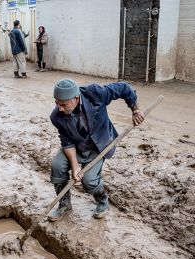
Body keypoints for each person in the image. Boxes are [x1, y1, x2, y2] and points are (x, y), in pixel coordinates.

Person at [48, 79, 145, 221]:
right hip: (76, 146)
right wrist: (75, 168)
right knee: (57, 166)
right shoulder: (56, 116)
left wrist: (135, 110)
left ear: (76, 98)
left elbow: (124, 88)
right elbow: (67, 142)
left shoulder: (94, 94)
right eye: (57, 103)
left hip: (98, 146)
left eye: (63, 104)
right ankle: (64, 204)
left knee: (89, 180)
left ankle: (102, 201)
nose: (60, 108)